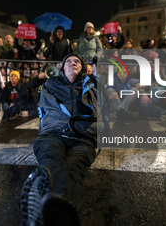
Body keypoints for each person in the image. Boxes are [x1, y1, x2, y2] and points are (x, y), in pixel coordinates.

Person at [21, 53, 100, 226]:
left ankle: (43, 202)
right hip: (54, 133)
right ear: (62, 68)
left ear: (82, 67)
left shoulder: (92, 84)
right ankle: (58, 213)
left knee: (76, 167)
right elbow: (42, 108)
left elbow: (102, 111)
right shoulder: (50, 84)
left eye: (77, 61)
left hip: (82, 137)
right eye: (69, 62)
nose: (73, 63)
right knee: (51, 157)